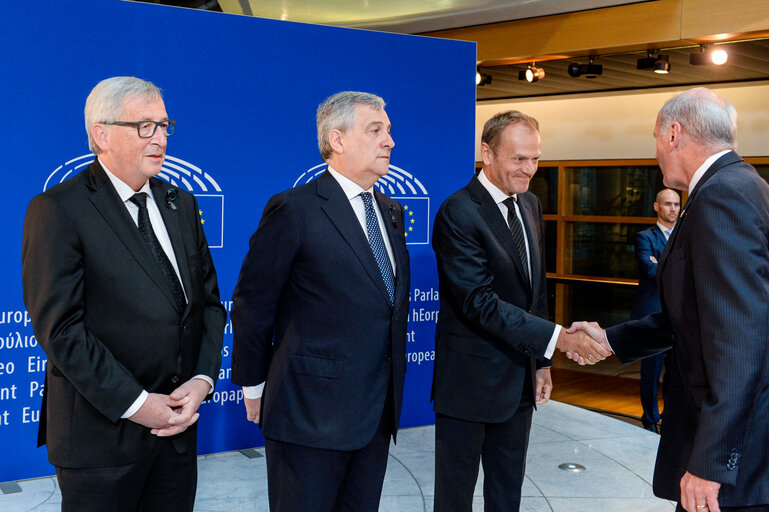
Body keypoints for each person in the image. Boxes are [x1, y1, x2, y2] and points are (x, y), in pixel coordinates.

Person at [21, 76, 226, 512]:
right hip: (101, 441)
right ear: (101, 134)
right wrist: (136, 404)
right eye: (145, 126)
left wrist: (201, 380)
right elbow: (61, 330)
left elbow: (208, 305)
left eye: (165, 125)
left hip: (176, 433)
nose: (161, 138)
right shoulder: (59, 209)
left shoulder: (181, 203)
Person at [570, 87, 769, 512]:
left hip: (737, 464)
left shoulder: (722, 197)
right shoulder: (739, 185)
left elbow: (740, 340)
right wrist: (610, 340)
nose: (656, 150)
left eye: (656, 137)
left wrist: (711, 463)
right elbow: (697, 315)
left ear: (674, 133)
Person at [231, 91, 410, 512]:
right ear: (338, 139)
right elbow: (253, 303)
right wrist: (253, 385)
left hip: (376, 415)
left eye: (388, 130)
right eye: (376, 130)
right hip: (307, 415)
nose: (390, 141)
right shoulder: (294, 209)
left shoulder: (391, 211)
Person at [431, 110, 611, 512]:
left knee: (507, 492)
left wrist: (542, 362)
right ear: (486, 153)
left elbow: (536, 291)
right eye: (518, 159)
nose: (528, 169)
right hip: (468, 384)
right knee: (454, 498)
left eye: (535, 159)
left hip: (519, 381)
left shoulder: (529, 204)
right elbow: (479, 302)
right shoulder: (457, 213)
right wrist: (560, 338)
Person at [632, 188, 680, 432]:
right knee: (650, 373)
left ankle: (670, 418)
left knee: (676, 372)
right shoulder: (644, 237)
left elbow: (691, 270)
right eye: (668, 204)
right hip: (652, 315)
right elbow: (648, 272)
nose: (673, 209)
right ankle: (650, 419)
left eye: (676, 204)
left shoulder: (684, 236)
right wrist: (676, 268)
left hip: (679, 316)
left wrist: (660, 263)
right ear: (656, 207)